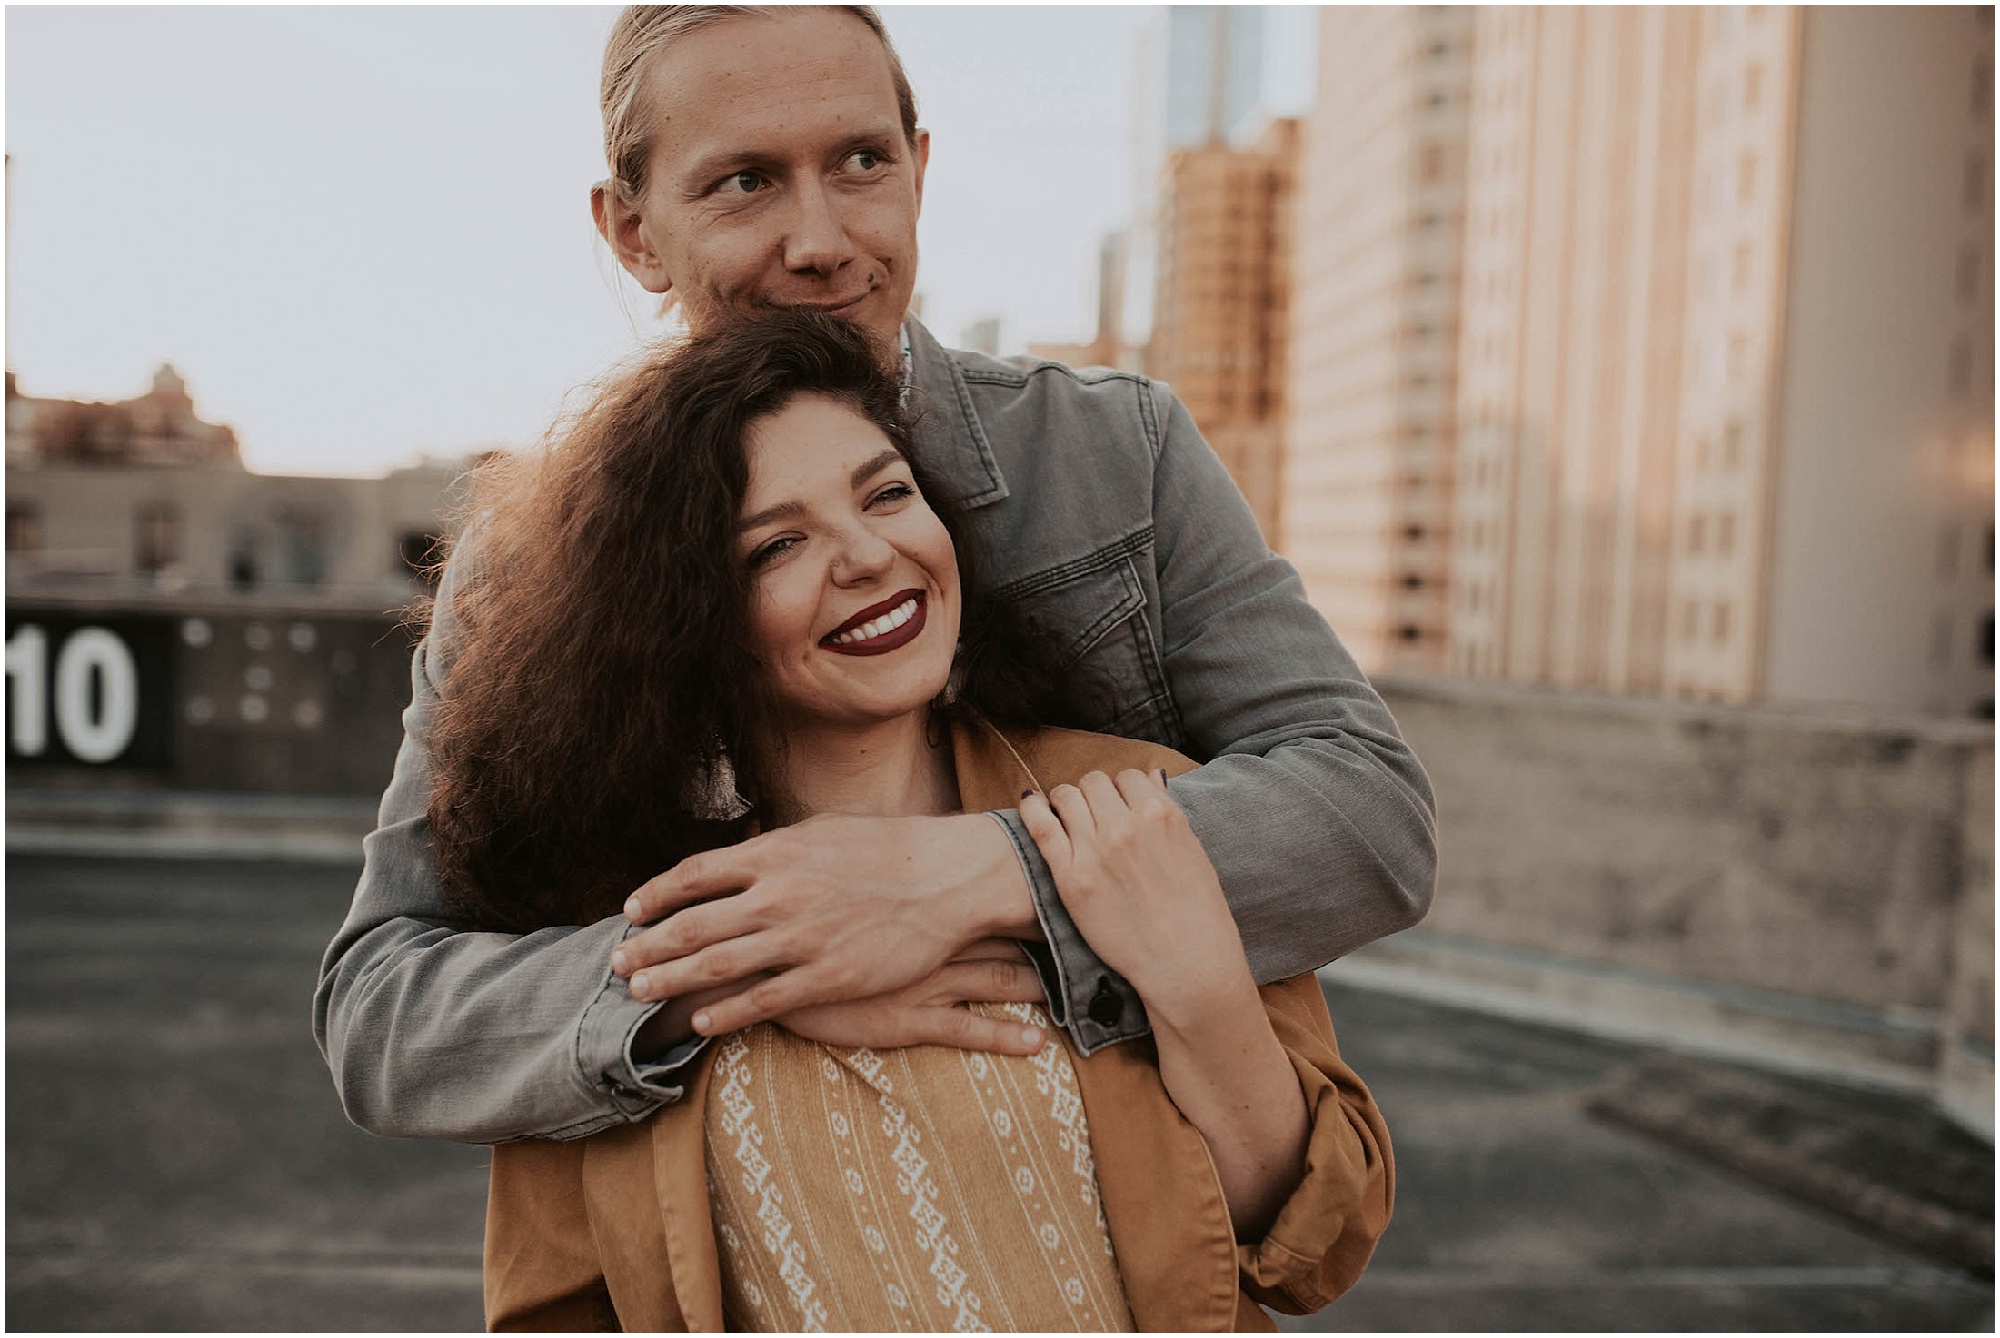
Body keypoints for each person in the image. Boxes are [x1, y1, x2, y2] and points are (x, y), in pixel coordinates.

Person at [314, 3, 1436, 1145]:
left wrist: (958, 882)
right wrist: (753, 974)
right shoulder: (528, 559)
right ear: (633, 233)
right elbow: (382, 1009)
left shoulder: (1113, 455)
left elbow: (1368, 817)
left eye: (860, 162)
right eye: (744, 182)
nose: (820, 239)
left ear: (919, 170)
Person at [454, 307, 1392, 1331]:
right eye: (776, 546)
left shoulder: (1133, 806)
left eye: (887, 494)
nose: (865, 554)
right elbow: (551, 1310)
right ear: (688, 622)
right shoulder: (627, 941)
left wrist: (1199, 992)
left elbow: (1311, 1250)